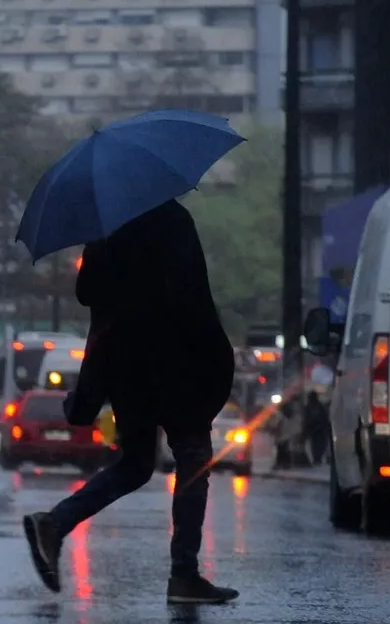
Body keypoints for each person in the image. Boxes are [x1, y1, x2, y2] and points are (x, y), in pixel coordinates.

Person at [22, 199, 239, 605]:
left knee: (136, 465)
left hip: (127, 370)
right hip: (177, 364)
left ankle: (55, 523)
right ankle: (184, 576)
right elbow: (192, 295)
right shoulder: (172, 218)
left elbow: (88, 295)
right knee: (193, 459)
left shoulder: (105, 230)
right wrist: (213, 360)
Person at [304, 391, 329, 465]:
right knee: (315, 445)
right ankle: (317, 458)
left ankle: (318, 458)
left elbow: (323, 418)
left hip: (320, 429)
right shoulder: (310, 406)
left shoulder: (319, 406)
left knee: (319, 445)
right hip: (313, 429)